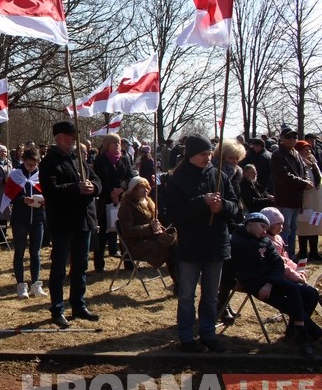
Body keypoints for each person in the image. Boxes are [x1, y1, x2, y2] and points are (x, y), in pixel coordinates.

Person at [168, 134, 238, 353]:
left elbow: (237, 207)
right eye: (202, 154)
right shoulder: (178, 179)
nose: (207, 158)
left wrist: (223, 207)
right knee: (187, 294)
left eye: (209, 154)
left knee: (210, 295)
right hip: (191, 244)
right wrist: (202, 202)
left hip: (216, 243)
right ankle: (186, 337)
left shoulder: (219, 176)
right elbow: (175, 214)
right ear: (190, 155)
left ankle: (208, 333)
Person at [230, 212, 322, 357]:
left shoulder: (265, 241)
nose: (264, 231)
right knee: (288, 301)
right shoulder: (235, 241)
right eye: (262, 226)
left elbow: (277, 263)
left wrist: (270, 283)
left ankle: (296, 333)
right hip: (254, 284)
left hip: (271, 279)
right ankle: (307, 335)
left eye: (266, 228)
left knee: (309, 293)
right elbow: (230, 268)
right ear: (250, 223)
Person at [40, 120, 102, 328]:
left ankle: (78, 303)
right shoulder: (49, 161)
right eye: (69, 137)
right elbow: (51, 190)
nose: (72, 140)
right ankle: (57, 308)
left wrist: (92, 187)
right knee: (59, 267)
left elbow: (97, 181)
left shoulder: (78, 159)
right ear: (59, 138)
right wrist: (77, 188)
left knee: (81, 265)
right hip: (63, 221)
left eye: (74, 136)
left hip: (83, 220)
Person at [117, 176, 178, 290]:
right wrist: (149, 228)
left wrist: (159, 228)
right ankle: (179, 283)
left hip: (150, 238)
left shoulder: (148, 202)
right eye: (141, 188)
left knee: (173, 239)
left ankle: (179, 283)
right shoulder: (126, 206)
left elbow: (153, 224)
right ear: (134, 190)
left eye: (147, 187)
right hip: (135, 243)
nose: (146, 190)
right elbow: (127, 231)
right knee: (171, 247)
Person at [6, 149, 47, 299]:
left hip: (37, 218)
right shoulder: (15, 175)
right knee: (20, 252)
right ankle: (21, 285)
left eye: (34, 164)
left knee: (35, 253)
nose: (31, 167)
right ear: (23, 161)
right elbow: (10, 195)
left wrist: (43, 200)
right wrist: (22, 199)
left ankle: (36, 284)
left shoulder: (41, 175)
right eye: (28, 164)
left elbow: (47, 192)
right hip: (20, 219)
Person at [91, 133, 134, 272]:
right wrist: (111, 191)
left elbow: (130, 177)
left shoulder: (125, 159)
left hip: (123, 199)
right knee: (103, 232)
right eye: (114, 143)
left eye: (119, 143)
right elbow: (98, 180)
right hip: (106, 200)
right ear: (107, 145)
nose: (117, 145)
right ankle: (99, 264)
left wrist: (121, 189)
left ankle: (128, 262)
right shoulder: (100, 160)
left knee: (125, 232)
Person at [271, 127, 313, 260]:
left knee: (293, 228)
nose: (292, 140)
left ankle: (291, 254)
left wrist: (306, 180)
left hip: (296, 198)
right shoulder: (278, 154)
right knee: (285, 228)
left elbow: (304, 170)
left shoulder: (295, 153)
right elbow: (283, 176)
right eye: (288, 137)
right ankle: (284, 255)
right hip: (285, 198)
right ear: (281, 139)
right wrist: (303, 183)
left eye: (294, 137)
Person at [295, 140, 322, 261]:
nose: (308, 152)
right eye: (305, 150)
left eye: (309, 150)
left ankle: (314, 251)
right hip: (304, 198)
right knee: (303, 225)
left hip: (315, 199)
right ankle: (303, 251)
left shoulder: (313, 162)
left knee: (314, 224)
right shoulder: (297, 163)